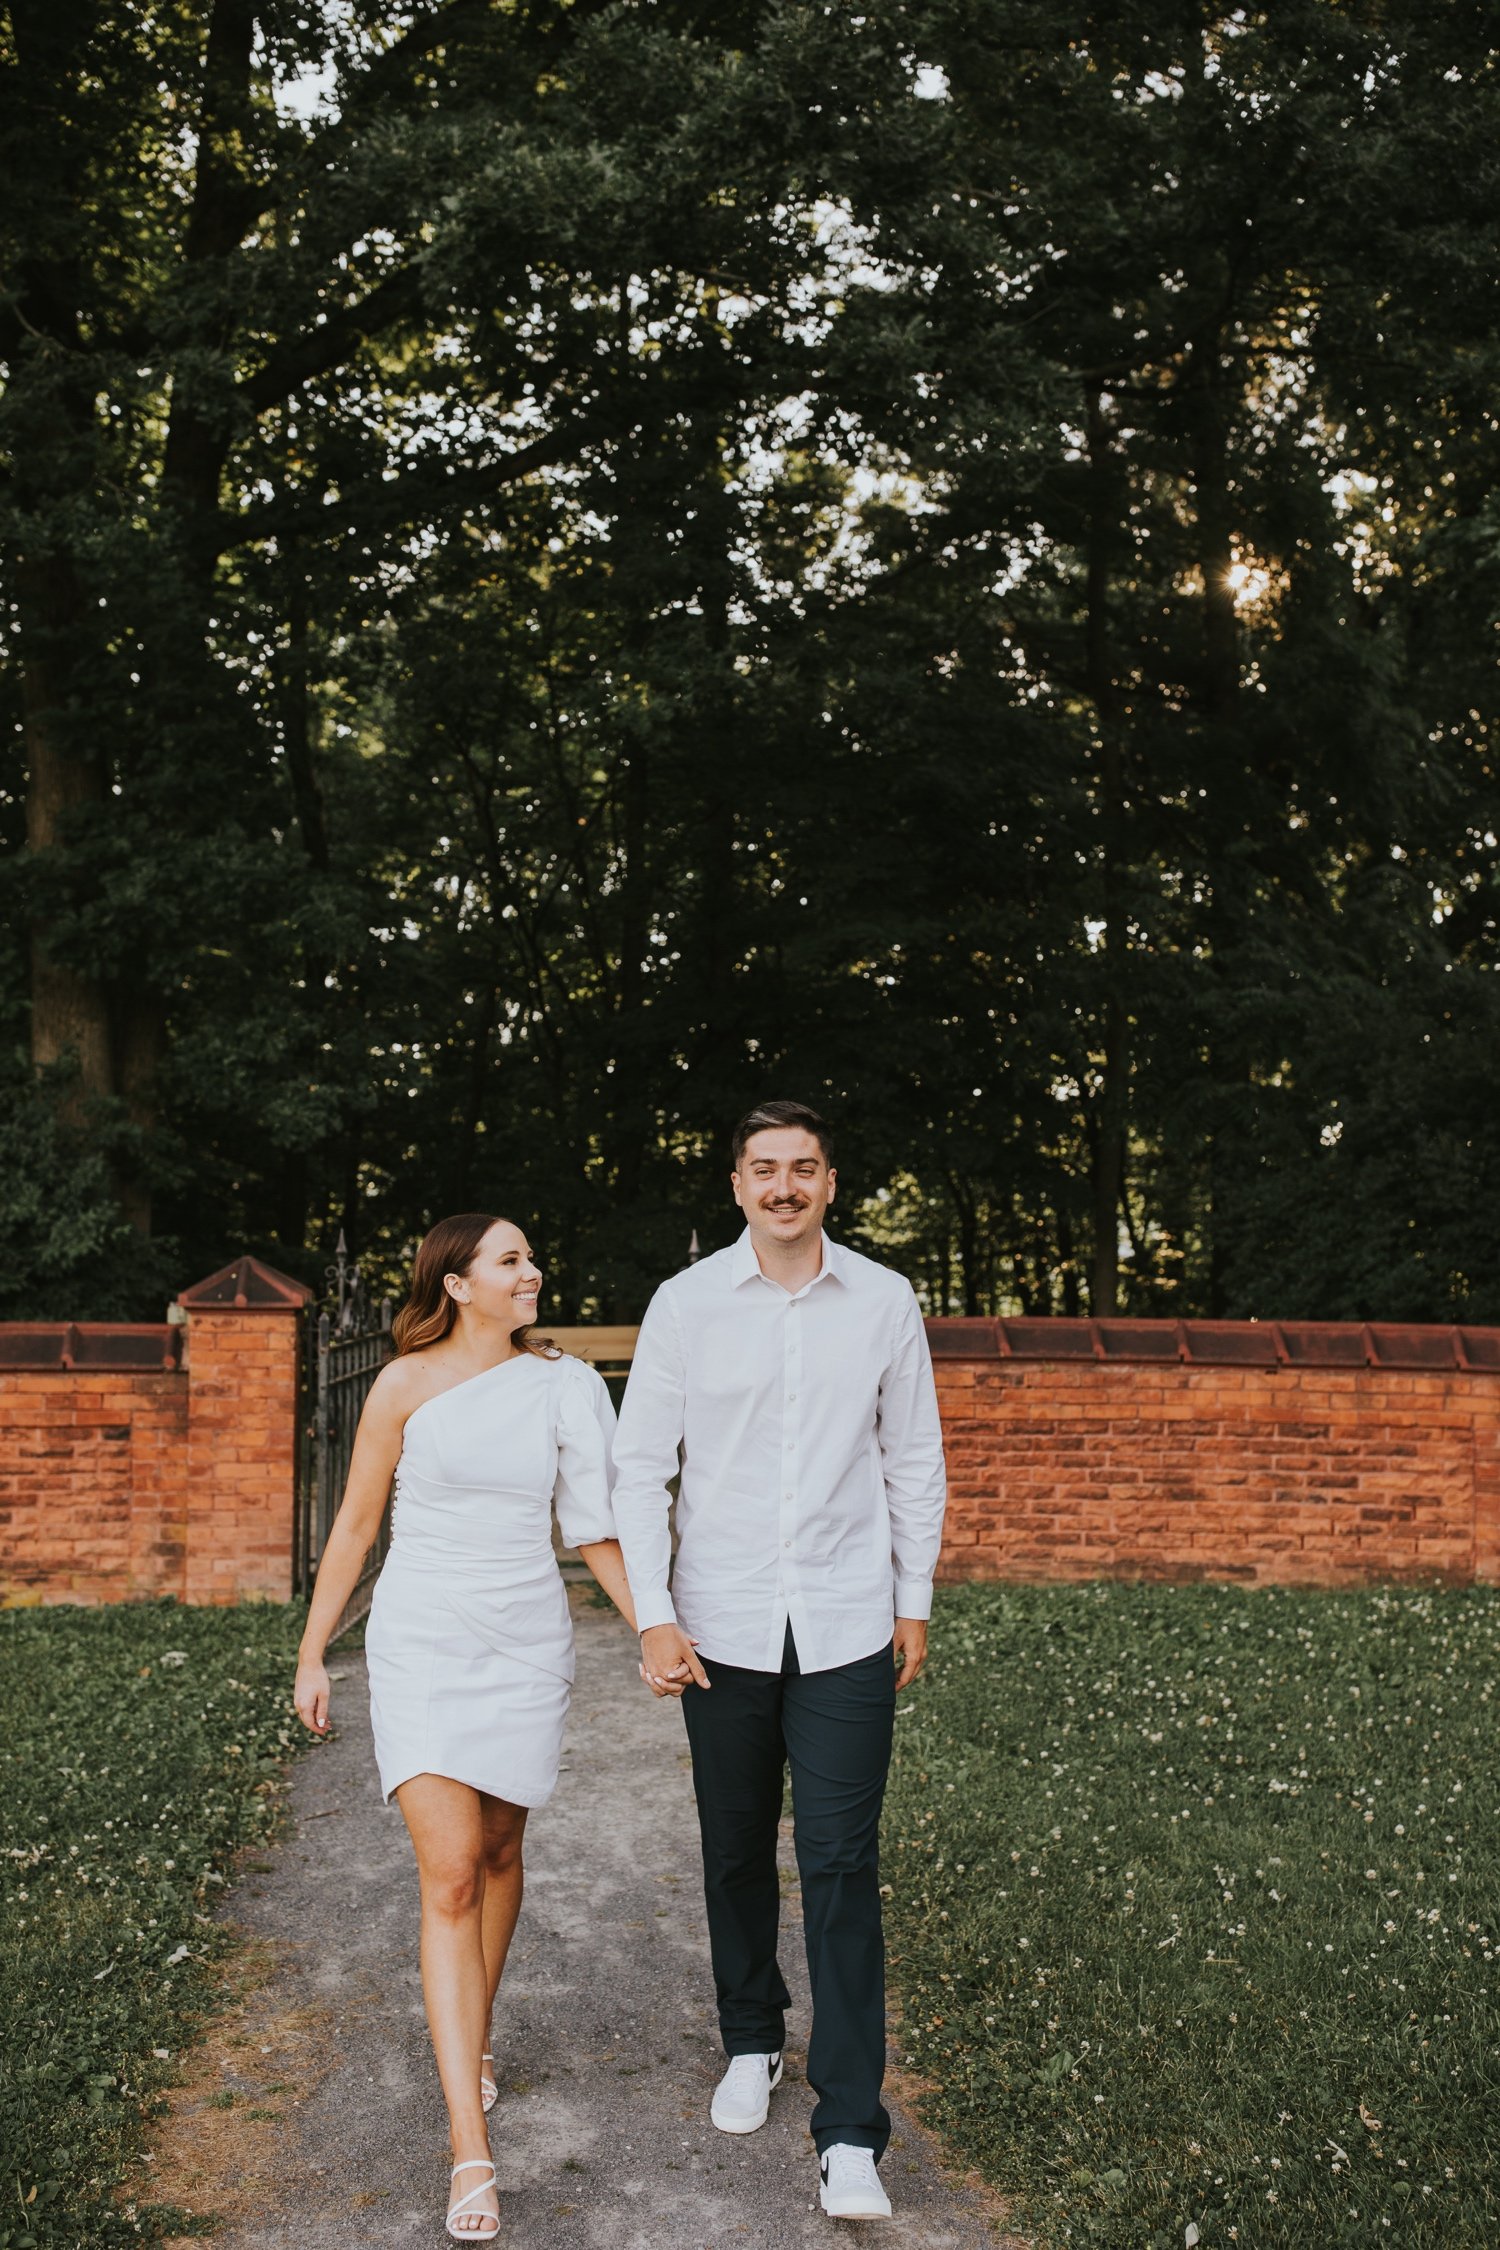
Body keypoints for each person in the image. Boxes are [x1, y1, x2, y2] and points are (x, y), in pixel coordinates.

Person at [611, 1100, 947, 2223]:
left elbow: (913, 1456)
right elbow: (639, 1467)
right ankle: (751, 2040)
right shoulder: (686, 1304)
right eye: (765, 1169)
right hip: (722, 1624)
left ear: (832, 1184)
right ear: (738, 1185)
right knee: (735, 1848)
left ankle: (851, 2128)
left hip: (850, 1620)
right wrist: (655, 1613)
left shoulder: (885, 1301)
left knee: (845, 1863)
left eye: (805, 1169)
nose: (785, 1187)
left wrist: (915, 1600)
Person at [293, 1214, 635, 2242]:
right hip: (423, 1643)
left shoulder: (565, 1384)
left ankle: (475, 2029)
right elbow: (358, 1523)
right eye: (512, 1260)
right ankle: (467, 2148)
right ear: (456, 1283)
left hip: (526, 1639)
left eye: (534, 1255)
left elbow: (597, 1519)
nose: (534, 1271)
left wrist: (655, 1631)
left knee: (499, 1848)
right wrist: (314, 1654)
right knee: (449, 1876)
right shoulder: (400, 1386)